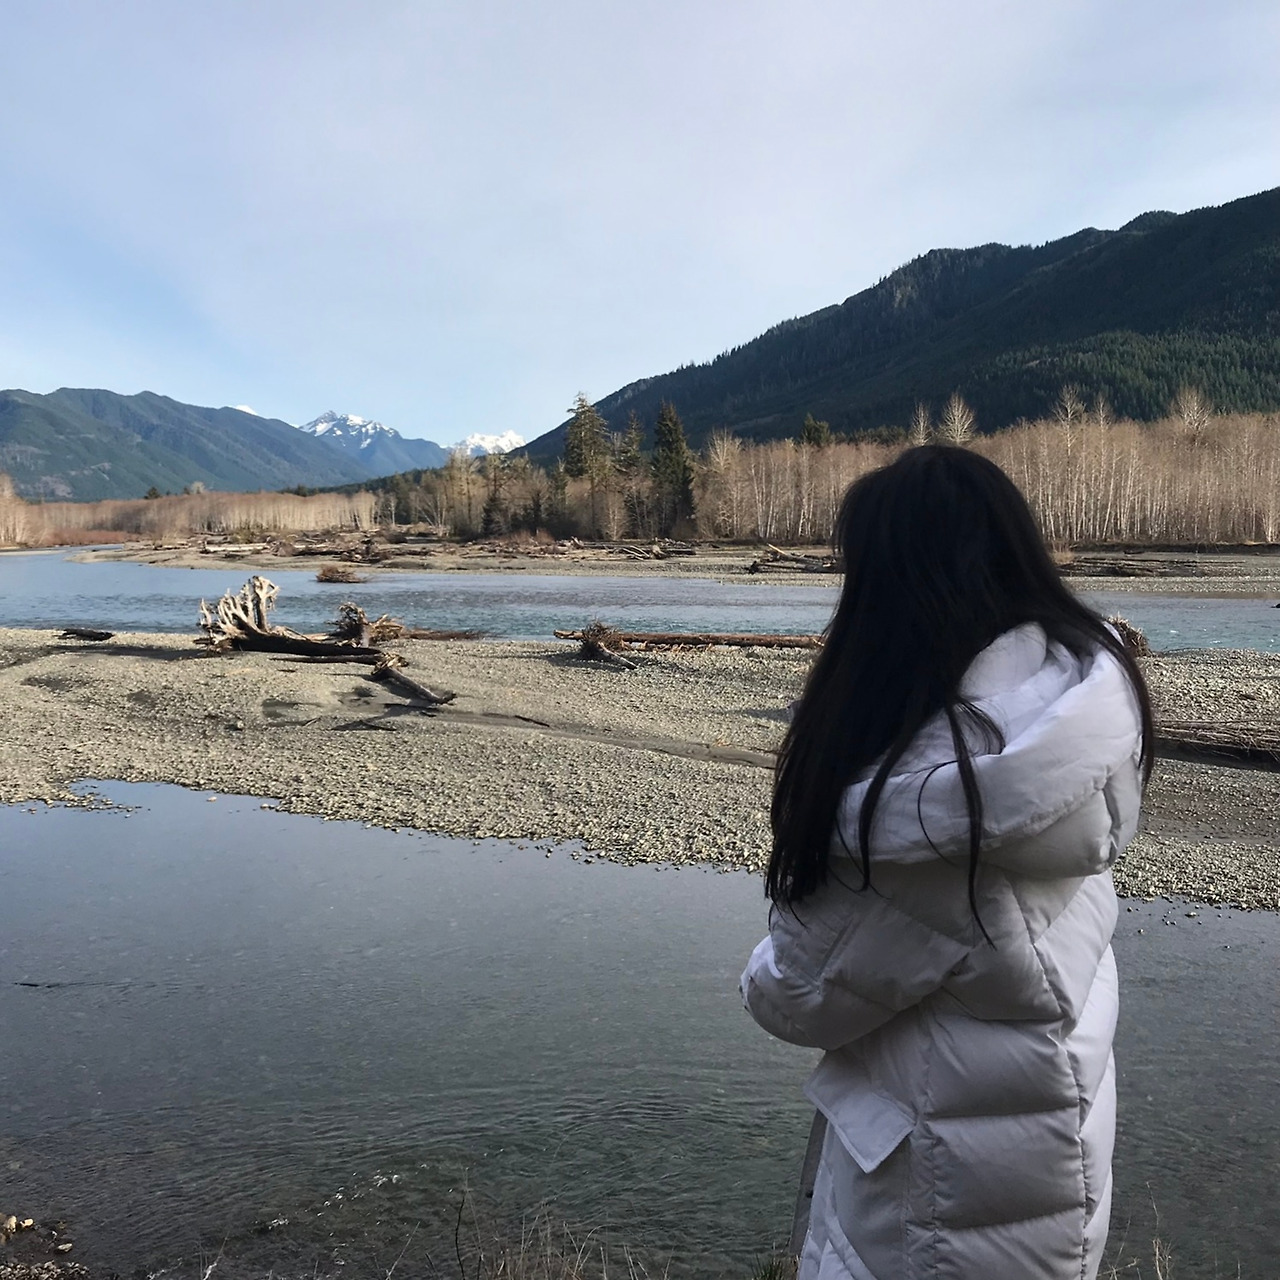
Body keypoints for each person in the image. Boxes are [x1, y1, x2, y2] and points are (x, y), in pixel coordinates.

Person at [741, 445, 1153, 1280]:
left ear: (889, 593)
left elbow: (795, 995)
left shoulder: (931, 811)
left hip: (938, 1215)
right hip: (1041, 1168)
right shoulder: (1063, 735)